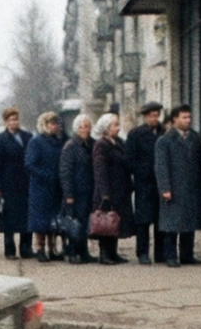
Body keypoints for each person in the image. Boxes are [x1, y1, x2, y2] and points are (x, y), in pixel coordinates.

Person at [154, 103, 201, 267]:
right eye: (184, 117)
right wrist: (165, 188)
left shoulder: (195, 137)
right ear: (175, 119)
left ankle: (187, 254)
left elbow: (199, 163)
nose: (187, 120)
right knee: (172, 223)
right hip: (174, 187)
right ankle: (170, 255)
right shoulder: (165, 140)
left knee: (189, 222)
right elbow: (161, 166)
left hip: (191, 186)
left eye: (189, 117)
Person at [0, 108, 32, 259]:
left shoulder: (27, 137)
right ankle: (10, 249)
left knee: (26, 217)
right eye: (11, 120)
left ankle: (26, 248)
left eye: (16, 119)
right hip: (8, 184)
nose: (14, 122)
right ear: (6, 122)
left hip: (25, 183)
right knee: (8, 218)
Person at [125, 102, 164, 264]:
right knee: (143, 220)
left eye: (157, 115)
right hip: (144, 182)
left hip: (161, 182)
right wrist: (141, 171)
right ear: (145, 116)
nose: (154, 119)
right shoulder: (136, 134)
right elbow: (129, 159)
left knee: (160, 220)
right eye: (151, 116)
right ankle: (142, 252)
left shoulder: (164, 132)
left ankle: (160, 253)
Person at [89, 112, 131, 264]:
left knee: (115, 221)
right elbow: (100, 170)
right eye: (115, 125)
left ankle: (113, 252)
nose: (118, 128)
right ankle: (104, 254)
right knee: (105, 222)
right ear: (106, 128)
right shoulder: (101, 144)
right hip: (107, 191)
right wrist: (105, 194)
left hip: (119, 189)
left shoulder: (118, 142)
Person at [25, 111, 66, 262]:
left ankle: (53, 248)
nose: (55, 126)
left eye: (56, 124)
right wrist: (45, 175)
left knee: (54, 220)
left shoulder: (59, 141)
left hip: (56, 187)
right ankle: (40, 249)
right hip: (40, 187)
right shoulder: (36, 142)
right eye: (51, 123)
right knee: (40, 220)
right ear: (45, 125)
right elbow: (30, 164)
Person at [60, 114, 96, 263]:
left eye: (87, 126)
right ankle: (73, 252)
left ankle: (84, 251)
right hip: (76, 190)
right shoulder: (71, 146)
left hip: (90, 189)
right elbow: (65, 172)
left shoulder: (92, 144)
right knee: (75, 222)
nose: (84, 130)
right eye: (81, 127)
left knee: (86, 222)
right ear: (76, 128)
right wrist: (69, 194)